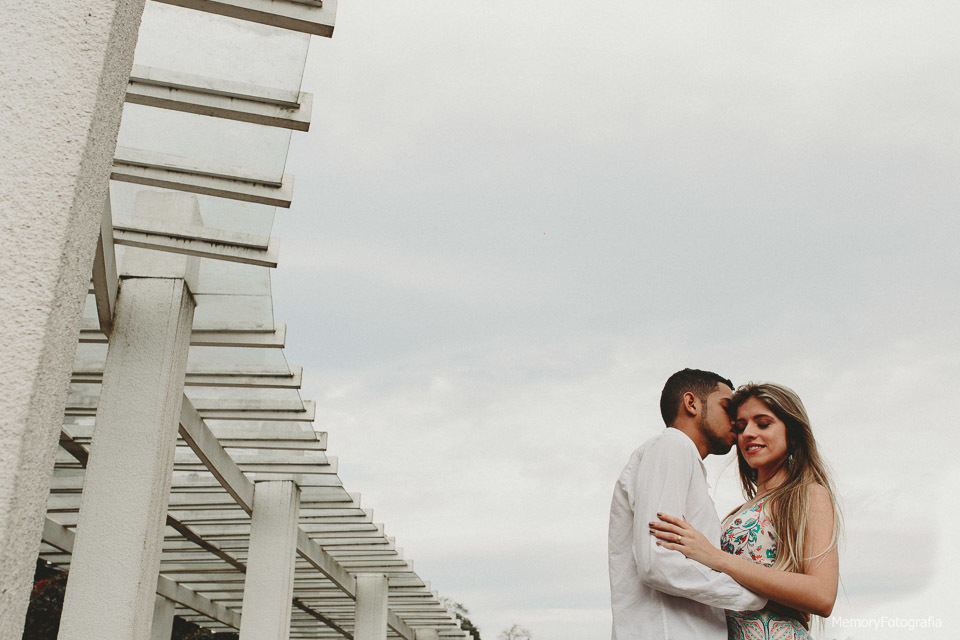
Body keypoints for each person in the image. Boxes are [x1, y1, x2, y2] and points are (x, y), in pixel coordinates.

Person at [649, 382, 841, 639]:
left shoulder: (808, 493)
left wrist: (716, 558)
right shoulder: (738, 512)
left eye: (763, 424)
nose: (748, 433)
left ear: (792, 434)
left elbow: (822, 595)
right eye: (741, 427)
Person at [609, 369, 768, 640]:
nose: (735, 421)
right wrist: (756, 598)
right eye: (726, 407)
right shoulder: (672, 446)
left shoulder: (682, 461)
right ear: (691, 403)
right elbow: (656, 563)